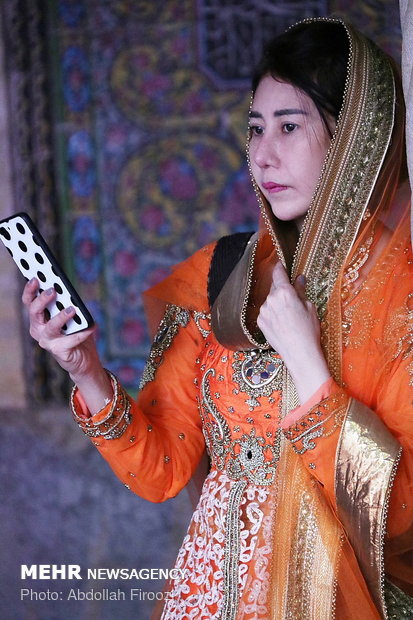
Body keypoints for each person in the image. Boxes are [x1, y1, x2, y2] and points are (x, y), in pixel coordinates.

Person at [23, 17, 413, 620]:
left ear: (354, 136)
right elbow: (161, 470)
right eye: (256, 128)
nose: (262, 153)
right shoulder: (223, 275)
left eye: (290, 126)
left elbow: (401, 513)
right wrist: (86, 371)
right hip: (209, 598)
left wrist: (308, 366)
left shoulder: (401, 296)